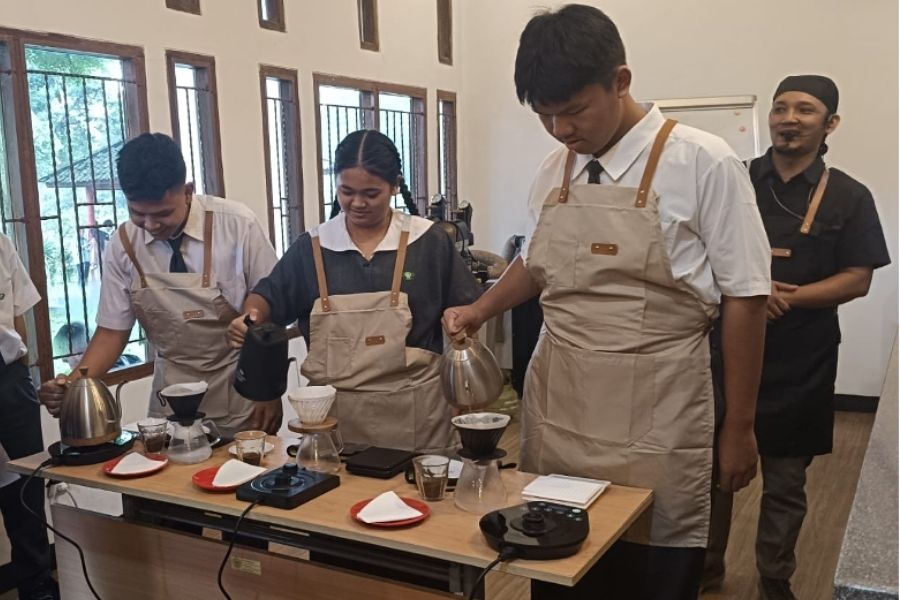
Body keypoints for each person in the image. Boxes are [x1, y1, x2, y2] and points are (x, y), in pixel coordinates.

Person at [442, 5, 772, 599]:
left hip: (661, 402)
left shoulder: (702, 160)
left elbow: (746, 296)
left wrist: (739, 428)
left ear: (621, 81)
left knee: (651, 565)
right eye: (545, 116)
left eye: (573, 111)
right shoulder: (555, 168)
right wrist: (482, 308)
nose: (562, 130)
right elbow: (538, 261)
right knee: (556, 557)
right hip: (564, 400)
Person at [703, 75, 891, 600]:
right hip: (725, 353)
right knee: (714, 473)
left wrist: (785, 297)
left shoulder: (851, 195)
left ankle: (774, 580)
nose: (789, 119)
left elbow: (859, 276)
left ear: (829, 123)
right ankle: (705, 569)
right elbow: (697, 256)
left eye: (805, 110)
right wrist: (747, 295)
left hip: (802, 359)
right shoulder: (733, 178)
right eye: (781, 108)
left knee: (786, 483)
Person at [228, 129, 481, 453]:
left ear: (394, 185)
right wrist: (251, 316)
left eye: (371, 193)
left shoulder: (428, 241)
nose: (357, 203)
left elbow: (468, 314)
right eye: (346, 191)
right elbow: (268, 298)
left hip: (418, 418)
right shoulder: (314, 247)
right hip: (332, 421)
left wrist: (464, 390)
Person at [39, 133, 280, 437]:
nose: (151, 225)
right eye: (138, 213)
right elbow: (113, 331)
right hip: (170, 397)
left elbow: (273, 306)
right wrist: (73, 386)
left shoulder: (236, 225)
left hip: (241, 390)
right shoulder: (123, 245)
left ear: (188, 192)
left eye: (163, 213)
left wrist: (268, 391)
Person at [0, 232, 58, 600]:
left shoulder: (0, 242)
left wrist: (20, 372)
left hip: (8, 377)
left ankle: (37, 586)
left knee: (25, 484)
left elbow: (18, 316)